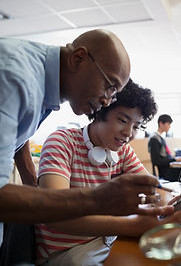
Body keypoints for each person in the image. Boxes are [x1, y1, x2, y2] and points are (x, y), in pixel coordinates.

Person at [0, 29, 168, 247]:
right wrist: (98, 200)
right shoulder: (16, 80)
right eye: (110, 86)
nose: (108, 101)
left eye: (114, 93)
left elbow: (16, 136)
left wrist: (34, 187)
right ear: (78, 58)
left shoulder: (42, 88)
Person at [35, 80, 181, 266]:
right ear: (100, 112)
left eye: (136, 126)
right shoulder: (61, 142)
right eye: (122, 120)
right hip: (68, 251)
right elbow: (55, 215)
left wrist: (169, 204)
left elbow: (153, 189)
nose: (128, 133)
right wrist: (132, 226)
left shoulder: (122, 150)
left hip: (109, 239)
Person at [148, 114, 181, 181]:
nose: (169, 127)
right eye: (168, 124)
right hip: (165, 172)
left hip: (168, 167)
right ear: (161, 123)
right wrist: (174, 159)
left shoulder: (161, 138)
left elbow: (165, 156)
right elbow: (156, 161)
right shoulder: (154, 139)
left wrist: (175, 159)